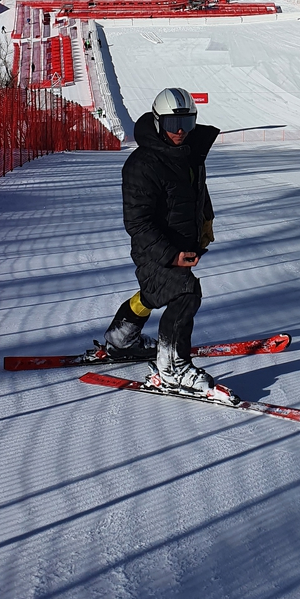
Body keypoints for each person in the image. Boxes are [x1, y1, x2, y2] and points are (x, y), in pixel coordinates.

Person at [103, 87, 219, 397]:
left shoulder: (190, 154)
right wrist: (171, 255)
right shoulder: (142, 165)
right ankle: (173, 368)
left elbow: (196, 196)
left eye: (187, 123)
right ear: (157, 123)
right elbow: (138, 222)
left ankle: (120, 339)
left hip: (181, 245)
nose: (180, 131)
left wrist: (203, 226)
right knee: (185, 292)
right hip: (154, 250)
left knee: (153, 294)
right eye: (171, 124)